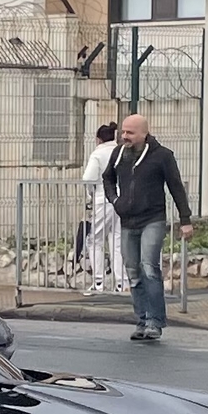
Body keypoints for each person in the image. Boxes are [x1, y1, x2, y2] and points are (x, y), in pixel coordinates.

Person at [101, 112, 192, 344]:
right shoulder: (119, 154)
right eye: (123, 132)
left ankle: (155, 321)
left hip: (153, 218)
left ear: (144, 133)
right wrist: (115, 200)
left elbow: (176, 187)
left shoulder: (162, 156)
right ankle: (141, 320)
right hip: (128, 220)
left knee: (149, 267)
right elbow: (107, 178)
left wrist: (185, 220)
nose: (124, 136)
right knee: (133, 271)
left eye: (130, 132)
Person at [77, 122, 127, 294]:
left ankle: (98, 282)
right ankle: (121, 284)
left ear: (98, 139)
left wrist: (91, 195)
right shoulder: (121, 151)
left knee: (95, 240)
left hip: (102, 199)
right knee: (117, 240)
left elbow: (88, 178)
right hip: (121, 200)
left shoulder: (98, 153)